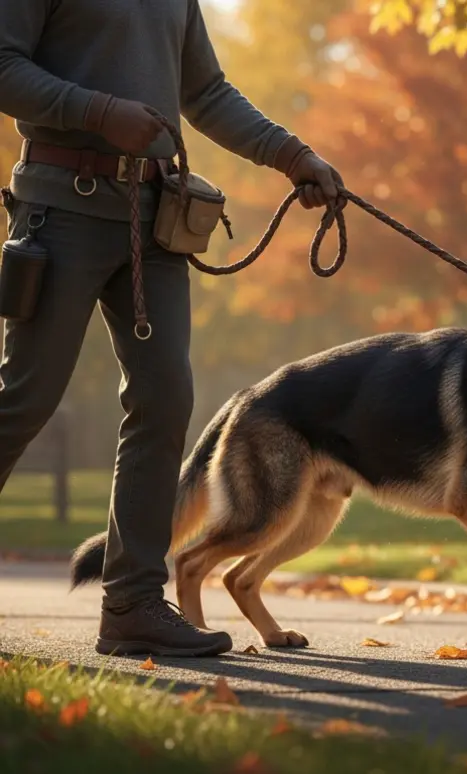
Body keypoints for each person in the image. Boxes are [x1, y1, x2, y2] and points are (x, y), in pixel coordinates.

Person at [0, 0, 344, 657]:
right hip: (57, 212)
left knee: (165, 400)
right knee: (25, 398)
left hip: (155, 219)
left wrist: (293, 156)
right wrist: (98, 112)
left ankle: (131, 604)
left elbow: (206, 91)